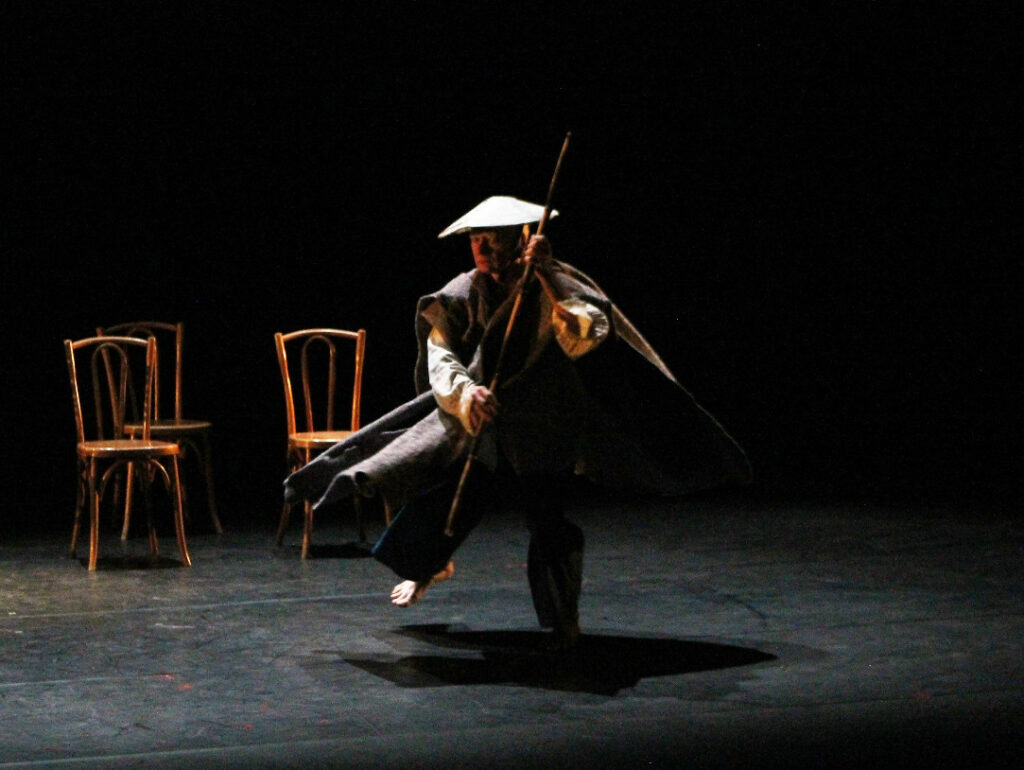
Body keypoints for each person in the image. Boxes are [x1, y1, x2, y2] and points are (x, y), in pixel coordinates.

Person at [284, 195, 751, 651]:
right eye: (476, 241)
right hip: (484, 420)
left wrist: (546, 274)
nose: (483, 250)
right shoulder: (464, 290)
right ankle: (430, 565)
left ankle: (564, 619)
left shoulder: (553, 280)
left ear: (520, 240)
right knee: (448, 494)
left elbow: (587, 333)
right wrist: (468, 392)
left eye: (493, 240)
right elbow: (440, 353)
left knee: (547, 520)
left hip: (542, 425)